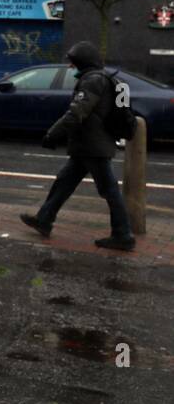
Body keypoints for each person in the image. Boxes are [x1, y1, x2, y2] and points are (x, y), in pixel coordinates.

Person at [20, 41, 135, 251]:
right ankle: (44, 219)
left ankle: (123, 234)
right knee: (64, 182)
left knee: (109, 190)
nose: (71, 67)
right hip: (87, 145)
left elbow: (76, 113)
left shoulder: (92, 81)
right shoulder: (103, 78)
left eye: (73, 63)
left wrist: (53, 134)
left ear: (83, 62)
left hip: (93, 146)